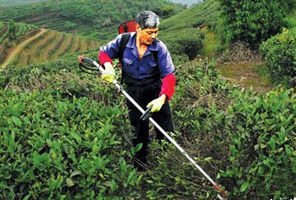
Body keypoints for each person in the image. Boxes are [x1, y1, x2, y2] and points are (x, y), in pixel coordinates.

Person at [98, 11, 176, 170]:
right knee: (138, 130)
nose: (153, 36)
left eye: (156, 32)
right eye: (149, 32)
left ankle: (168, 164)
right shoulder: (123, 41)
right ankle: (140, 166)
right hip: (133, 91)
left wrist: (162, 99)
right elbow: (103, 53)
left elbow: (169, 75)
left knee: (165, 128)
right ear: (138, 28)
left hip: (155, 90)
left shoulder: (160, 48)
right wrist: (107, 66)